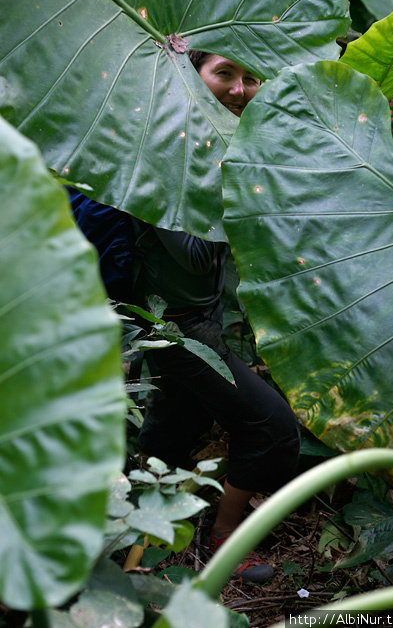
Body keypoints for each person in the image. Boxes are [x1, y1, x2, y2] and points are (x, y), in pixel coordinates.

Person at [136, 51, 301, 584]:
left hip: (200, 320)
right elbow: (196, 255)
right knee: (271, 427)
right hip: (172, 328)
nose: (240, 88)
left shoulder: (218, 144)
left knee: (174, 429)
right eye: (225, 73)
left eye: (252, 77)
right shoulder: (165, 148)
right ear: (194, 76)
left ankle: (145, 539)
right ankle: (225, 543)